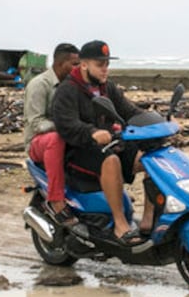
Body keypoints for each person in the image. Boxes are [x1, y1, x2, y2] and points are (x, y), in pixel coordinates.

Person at [50, 40, 155, 242]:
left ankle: (148, 219)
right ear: (84, 64)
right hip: (78, 151)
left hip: (108, 144)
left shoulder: (108, 88)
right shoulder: (67, 90)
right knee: (111, 160)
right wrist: (91, 132)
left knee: (150, 158)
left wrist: (156, 122)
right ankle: (120, 224)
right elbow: (66, 123)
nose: (105, 69)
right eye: (100, 65)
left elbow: (130, 112)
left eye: (106, 64)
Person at [24, 42, 81, 224]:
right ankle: (55, 199)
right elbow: (36, 122)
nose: (77, 68)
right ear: (59, 63)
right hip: (38, 142)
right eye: (74, 64)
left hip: (65, 136)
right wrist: (64, 126)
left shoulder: (71, 85)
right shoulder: (40, 84)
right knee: (55, 139)